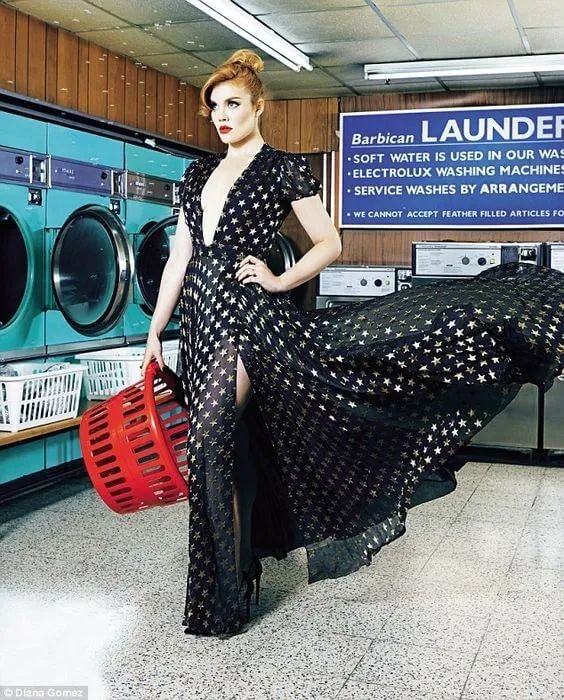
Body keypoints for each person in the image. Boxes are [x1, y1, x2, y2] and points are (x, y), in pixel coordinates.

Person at [141, 49, 564, 639]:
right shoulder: (195, 177)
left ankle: (224, 593)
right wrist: (158, 329)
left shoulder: (282, 169)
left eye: (232, 104)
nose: (222, 115)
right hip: (201, 322)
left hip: (250, 321)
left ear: (259, 106)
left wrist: (281, 278)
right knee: (230, 449)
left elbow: (329, 242)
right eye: (214, 107)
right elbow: (179, 260)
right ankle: (241, 570)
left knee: (208, 442)